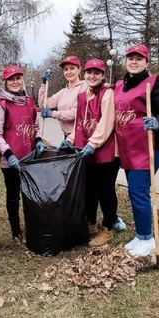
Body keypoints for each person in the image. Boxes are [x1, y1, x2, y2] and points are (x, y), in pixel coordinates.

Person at [113, 44, 159, 257]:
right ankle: (141, 236)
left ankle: (147, 239)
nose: (134, 61)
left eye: (139, 58)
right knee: (135, 191)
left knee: (138, 190)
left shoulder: (155, 83)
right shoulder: (120, 85)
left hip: (149, 147)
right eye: (130, 58)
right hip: (128, 147)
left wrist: (158, 121)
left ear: (146, 62)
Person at [61, 58, 118, 247]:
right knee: (88, 191)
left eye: (96, 73)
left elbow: (106, 123)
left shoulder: (107, 93)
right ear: (84, 74)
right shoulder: (82, 96)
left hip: (106, 152)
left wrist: (92, 143)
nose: (92, 76)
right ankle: (91, 224)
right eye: (89, 73)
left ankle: (108, 228)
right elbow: (79, 124)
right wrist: (69, 140)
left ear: (102, 75)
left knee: (105, 191)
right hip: (87, 153)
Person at [0, 65, 44, 246]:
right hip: (11, 160)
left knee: (30, 194)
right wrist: (8, 154)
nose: (15, 82)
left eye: (17, 78)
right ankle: (15, 230)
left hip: (30, 159)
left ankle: (33, 225)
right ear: (5, 82)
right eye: (11, 79)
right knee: (13, 195)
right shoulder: (1, 104)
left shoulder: (29, 101)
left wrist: (38, 140)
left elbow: (35, 126)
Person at [39, 55, 88, 139]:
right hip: (66, 136)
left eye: (72, 68)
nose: (68, 72)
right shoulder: (62, 92)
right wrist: (43, 84)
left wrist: (52, 114)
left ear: (79, 69)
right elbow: (43, 104)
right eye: (66, 69)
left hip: (80, 136)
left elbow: (76, 113)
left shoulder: (85, 87)